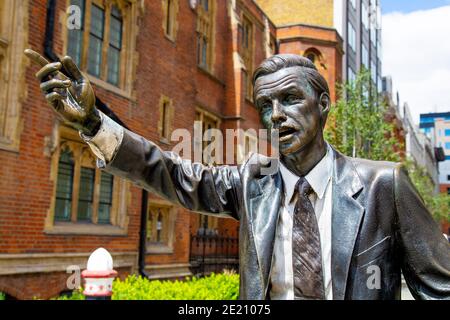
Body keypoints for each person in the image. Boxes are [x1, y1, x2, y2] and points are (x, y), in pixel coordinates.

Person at [25, 49, 450, 300]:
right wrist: (94, 124)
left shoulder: (384, 186)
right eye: (266, 105)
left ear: (322, 105)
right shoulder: (253, 183)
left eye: (290, 99)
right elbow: (172, 174)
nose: (277, 115)